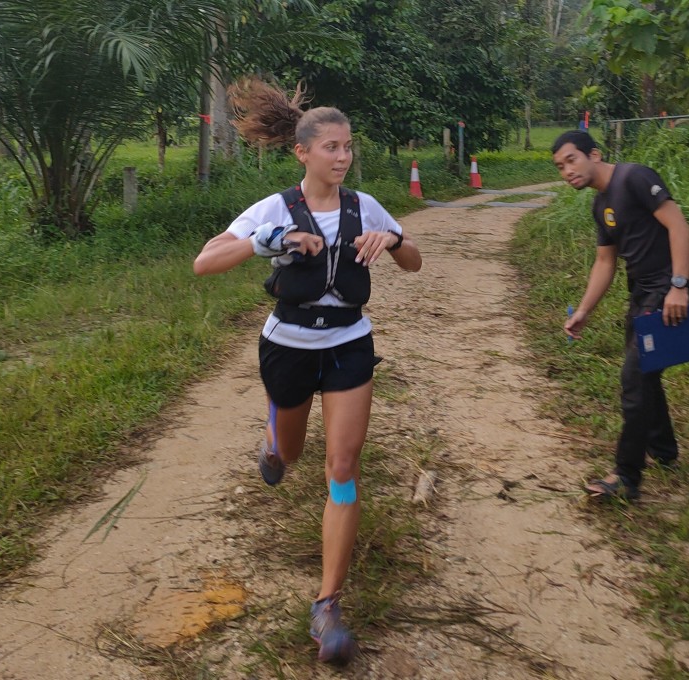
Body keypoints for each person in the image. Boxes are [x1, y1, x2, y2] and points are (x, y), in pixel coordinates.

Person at [193, 78, 422, 663]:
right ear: (303, 152)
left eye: (348, 148)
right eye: (331, 148)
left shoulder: (363, 206)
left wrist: (392, 239)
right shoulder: (273, 208)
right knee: (290, 456)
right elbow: (204, 262)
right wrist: (268, 240)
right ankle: (273, 441)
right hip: (288, 348)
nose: (342, 158)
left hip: (350, 344)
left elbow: (415, 263)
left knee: (342, 468)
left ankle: (327, 606)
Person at [552, 130, 689, 501]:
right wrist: (584, 311)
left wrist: (679, 285)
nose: (567, 171)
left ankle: (626, 477)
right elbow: (605, 263)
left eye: (572, 160)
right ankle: (665, 453)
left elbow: (678, 225)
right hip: (642, 295)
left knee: (635, 378)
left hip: (669, 290)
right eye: (560, 167)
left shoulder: (635, 177)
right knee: (645, 374)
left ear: (594, 154)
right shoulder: (598, 204)